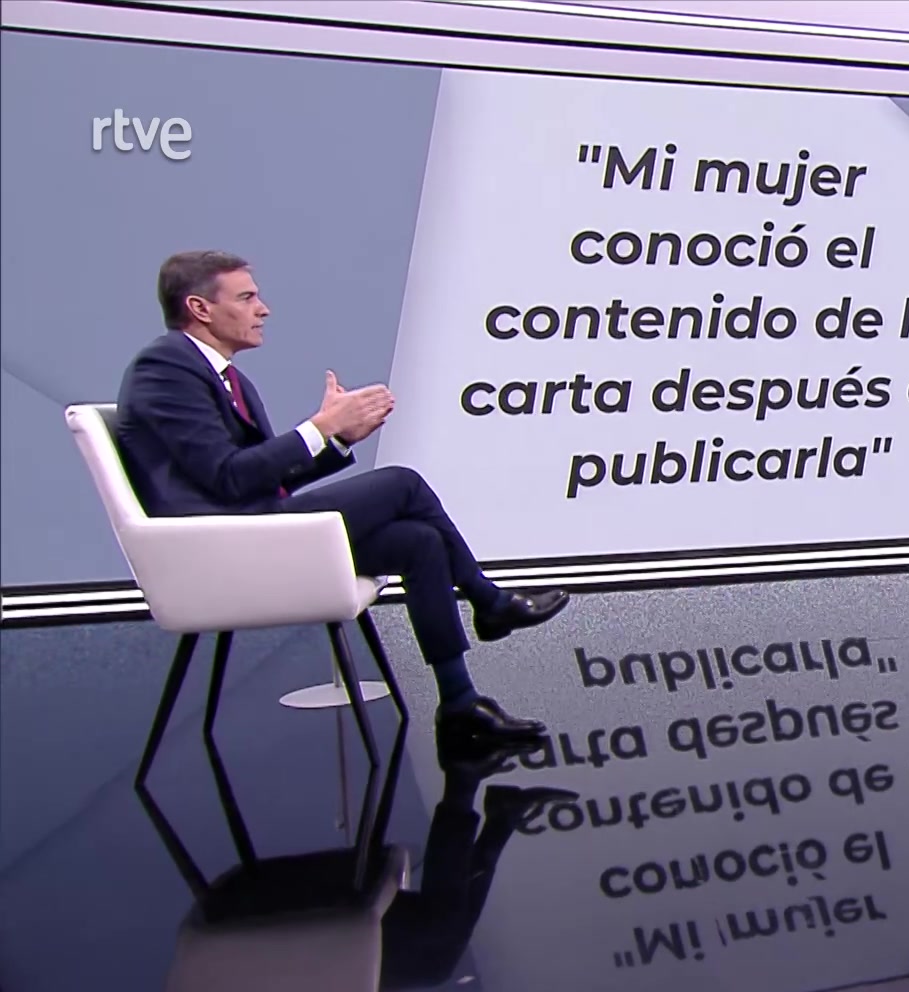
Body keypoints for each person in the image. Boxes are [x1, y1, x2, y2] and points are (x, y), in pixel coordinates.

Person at [115, 250, 569, 744]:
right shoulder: (166, 368)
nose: (263, 309)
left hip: (251, 523)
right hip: (220, 543)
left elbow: (263, 479)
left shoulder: (228, 377)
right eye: (246, 298)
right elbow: (228, 479)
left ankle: (459, 702)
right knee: (402, 483)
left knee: (418, 542)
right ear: (200, 308)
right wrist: (317, 427)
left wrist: (337, 439)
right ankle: (489, 600)